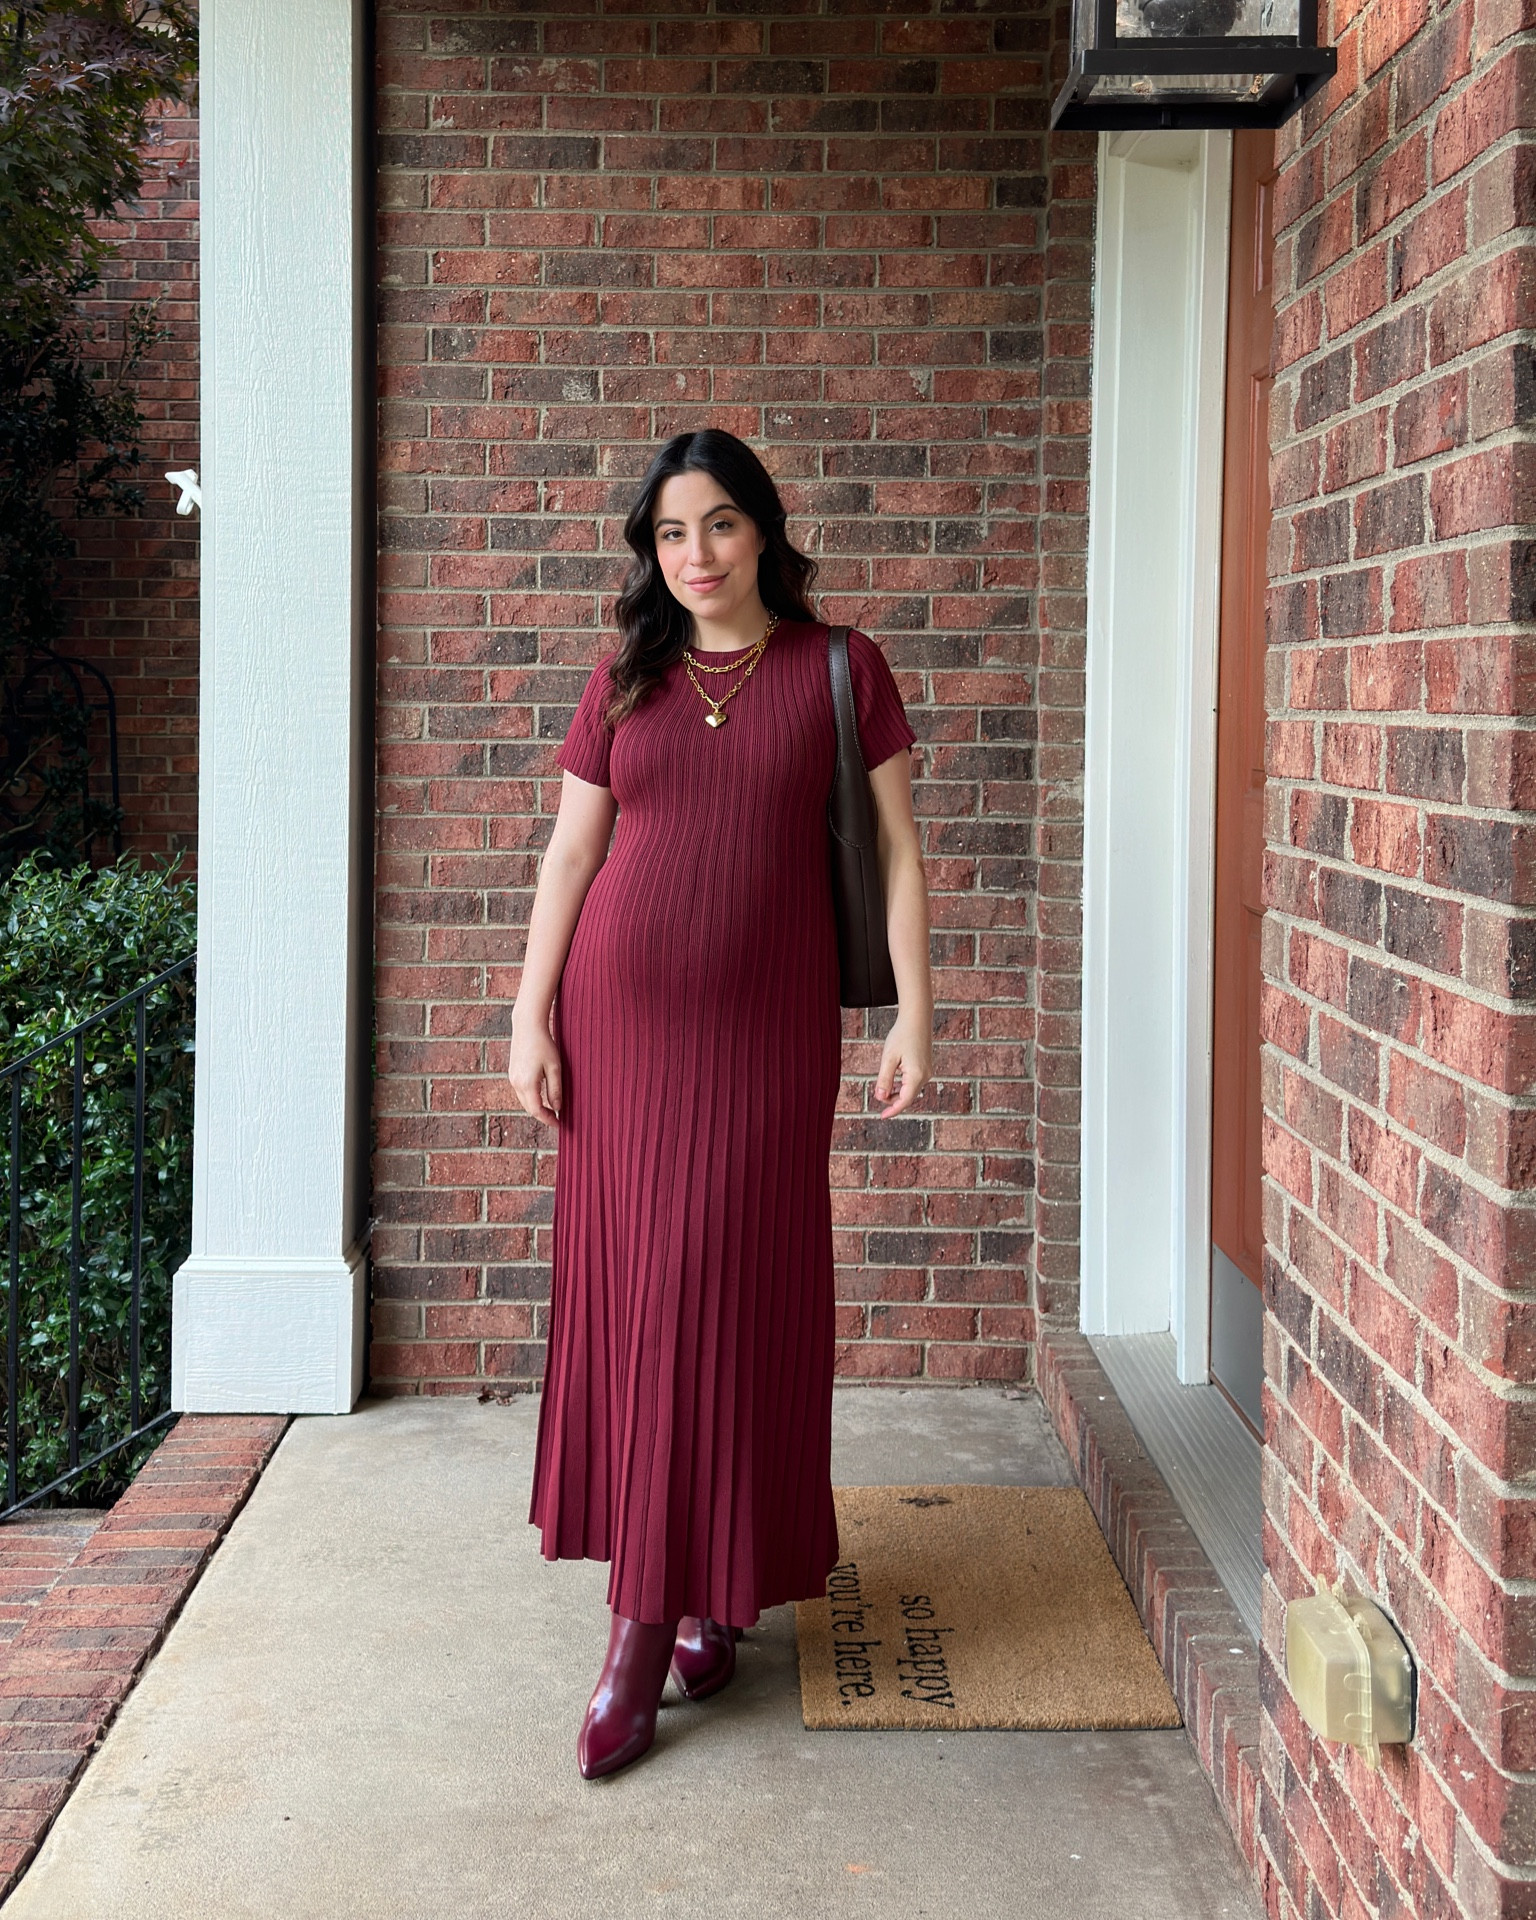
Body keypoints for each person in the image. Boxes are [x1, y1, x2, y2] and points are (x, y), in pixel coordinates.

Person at [506, 428, 933, 1779]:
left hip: (765, 1039)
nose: (695, 556)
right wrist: (528, 1012)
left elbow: (901, 853)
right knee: (647, 1301)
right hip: (620, 1032)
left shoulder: (837, 669)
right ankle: (665, 1603)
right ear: (651, 550)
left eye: (721, 527)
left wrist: (917, 1011)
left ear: (764, 531)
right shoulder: (624, 677)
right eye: (671, 534)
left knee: (728, 1295)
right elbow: (574, 849)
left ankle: (685, 1603)